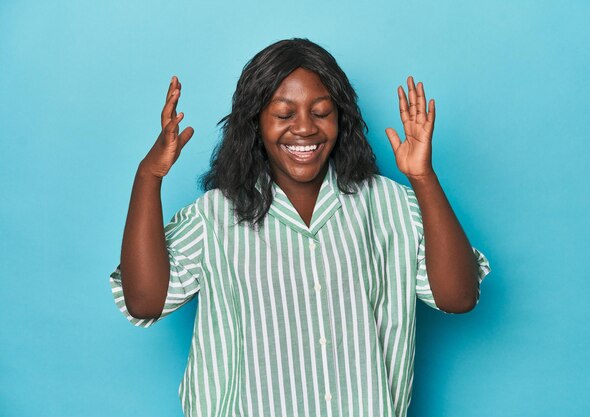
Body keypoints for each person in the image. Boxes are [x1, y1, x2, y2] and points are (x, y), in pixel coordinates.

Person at [109, 38, 491, 417]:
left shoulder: (389, 205)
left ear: (341, 118)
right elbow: (144, 302)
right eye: (284, 114)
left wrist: (423, 177)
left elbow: (459, 298)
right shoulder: (214, 215)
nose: (305, 128)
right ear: (255, 123)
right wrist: (150, 175)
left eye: (322, 111)